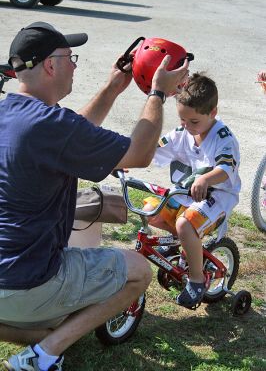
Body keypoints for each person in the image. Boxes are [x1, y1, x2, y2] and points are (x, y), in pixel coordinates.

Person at [0, 21, 189, 371]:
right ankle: (41, 356)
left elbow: (73, 135)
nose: (74, 64)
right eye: (70, 57)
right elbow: (140, 153)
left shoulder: (10, 112)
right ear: (50, 65)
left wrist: (113, 87)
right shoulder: (51, 125)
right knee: (137, 271)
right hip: (27, 281)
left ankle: (40, 334)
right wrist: (157, 94)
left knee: (57, 322)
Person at [143, 72, 241, 309]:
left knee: (185, 224)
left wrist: (206, 179)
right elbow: (152, 150)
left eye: (193, 122)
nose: (186, 127)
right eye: (182, 120)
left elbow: (226, 168)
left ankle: (197, 280)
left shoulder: (223, 138)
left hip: (218, 196)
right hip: (186, 194)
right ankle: (182, 245)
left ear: (213, 113)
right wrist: (124, 160)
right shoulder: (182, 133)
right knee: (150, 211)